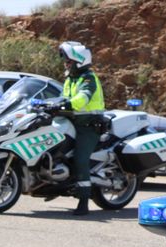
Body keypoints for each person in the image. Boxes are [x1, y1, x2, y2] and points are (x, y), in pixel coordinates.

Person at [58, 40, 105, 215]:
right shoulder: (70, 79)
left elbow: (82, 99)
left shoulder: (88, 79)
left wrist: (67, 104)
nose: (66, 64)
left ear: (79, 61)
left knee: (80, 159)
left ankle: (84, 201)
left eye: (69, 61)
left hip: (88, 126)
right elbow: (62, 97)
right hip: (72, 123)